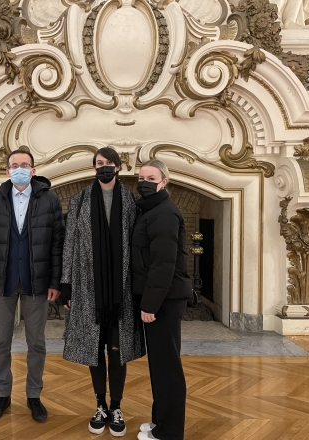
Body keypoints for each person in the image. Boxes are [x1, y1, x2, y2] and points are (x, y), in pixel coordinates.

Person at [60, 147, 145, 437]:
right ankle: (100, 405)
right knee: (94, 348)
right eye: (99, 163)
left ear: (118, 167)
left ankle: (117, 406)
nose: (104, 167)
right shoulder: (79, 200)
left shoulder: (132, 201)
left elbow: (137, 246)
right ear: (94, 167)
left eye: (109, 163)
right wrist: (66, 284)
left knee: (117, 350)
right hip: (88, 287)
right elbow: (70, 244)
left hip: (121, 289)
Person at [0, 148, 65, 423]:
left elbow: (57, 246)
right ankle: (2, 393)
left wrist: (55, 282)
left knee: (36, 342)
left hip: (37, 282)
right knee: (0, 341)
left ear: (33, 170)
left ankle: (34, 395)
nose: (19, 169)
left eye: (24, 165)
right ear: (7, 171)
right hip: (1, 282)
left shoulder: (50, 200)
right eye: (14, 165)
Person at [132, 160, 192, 440]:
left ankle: (169, 433)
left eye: (151, 178)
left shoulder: (164, 214)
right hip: (159, 299)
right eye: (141, 177)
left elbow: (163, 264)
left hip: (164, 301)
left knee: (167, 367)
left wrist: (149, 305)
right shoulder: (152, 210)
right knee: (159, 365)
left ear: (164, 181)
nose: (144, 182)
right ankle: (160, 422)